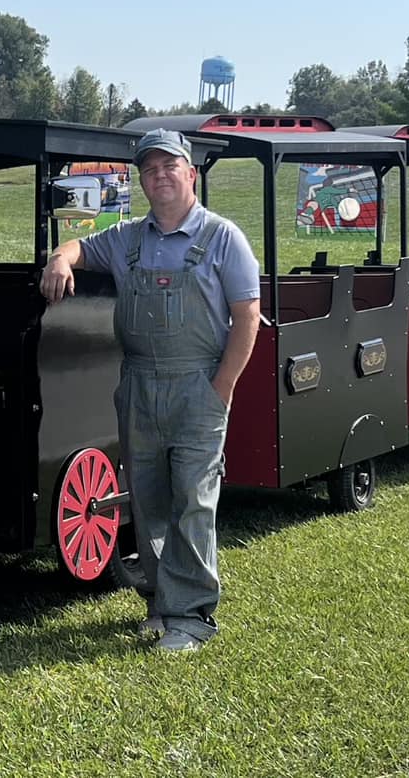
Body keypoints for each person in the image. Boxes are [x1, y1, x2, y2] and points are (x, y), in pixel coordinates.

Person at [40, 128, 262, 653]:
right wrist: (59, 260)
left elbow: (247, 317)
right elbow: (79, 245)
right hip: (138, 384)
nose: (160, 176)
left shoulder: (223, 237)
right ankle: (162, 604)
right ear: (141, 179)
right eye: (149, 169)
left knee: (193, 497)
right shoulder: (128, 238)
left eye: (170, 166)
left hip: (197, 385)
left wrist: (221, 388)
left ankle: (194, 618)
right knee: (148, 498)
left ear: (191, 173)